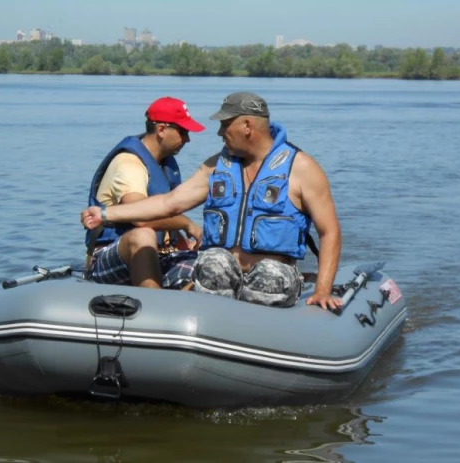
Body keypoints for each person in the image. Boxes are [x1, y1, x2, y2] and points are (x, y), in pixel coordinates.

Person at [82, 92, 342, 310]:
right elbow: (168, 203)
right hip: (223, 276)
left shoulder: (302, 168)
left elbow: (328, 231)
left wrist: (323, 289)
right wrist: (105, 214)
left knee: (269, 275)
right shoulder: (217, 166)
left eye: (225, 124)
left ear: (247, 126)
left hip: (272, 277)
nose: (219, 132)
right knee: (213, 262)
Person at [84, 96, 205, 290]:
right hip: (110, 258)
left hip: (160, 254)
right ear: (162, 130)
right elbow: (143, 220)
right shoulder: (129, 163)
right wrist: (187, 224)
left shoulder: (164, 163)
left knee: (213, 263)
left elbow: (166, 216)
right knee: (143, 235)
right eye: (183, 132)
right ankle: (153, 308)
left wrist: (181, 239)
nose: (187, 139)